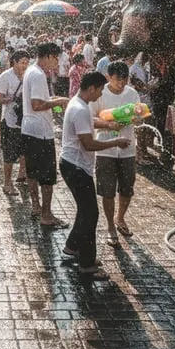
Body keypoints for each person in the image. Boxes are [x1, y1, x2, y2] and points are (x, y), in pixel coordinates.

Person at [60, 72, 130, 277]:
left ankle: (72, 247)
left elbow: (89, 122)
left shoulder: (78, 103)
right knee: (90, 214)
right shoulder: (80, 108)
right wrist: (115, 142)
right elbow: (88, 144)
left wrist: (107, 124)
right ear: (91, 88)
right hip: (77, 167)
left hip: (71, 164)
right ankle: (87, 263)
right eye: (100, 90)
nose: (100, 95)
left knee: (85, 211)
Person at [21, 42, 70, 226]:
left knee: (32, 171)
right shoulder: (38, 75)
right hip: (40, 131)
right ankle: (47, 214)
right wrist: (58, 102)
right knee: (47, 175)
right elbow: (37, 104)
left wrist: (57, 100)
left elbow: (39, 101)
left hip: (30, 129)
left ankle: (36, 206)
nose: (56, 62)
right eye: (56, 58)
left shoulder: (32, 71)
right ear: (48, 56)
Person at [94, 60, 141, 247]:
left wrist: (136, 119)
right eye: (117, 80)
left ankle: (120, 218)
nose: (121, 84)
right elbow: (93, 116)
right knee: (107, 190)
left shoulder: (132, 93)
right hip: (105, 147)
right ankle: (110, 226)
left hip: (127, 148)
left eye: (124, 80)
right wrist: (109, 124)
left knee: (127, 187)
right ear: (108, 77)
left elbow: (138, 114)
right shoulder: (100, 93)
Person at [0, 49, 30, 194]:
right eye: (22, 63)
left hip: (25, 119)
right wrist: (12, 99)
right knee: (9, 153)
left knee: (25, 150)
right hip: (9, 120)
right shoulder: (5, 76)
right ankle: (7, 183)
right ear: (14, 62)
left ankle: (22, 174)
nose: (24, 66)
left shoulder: (29, 75)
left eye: (26, 63)